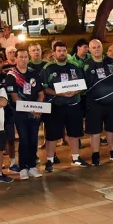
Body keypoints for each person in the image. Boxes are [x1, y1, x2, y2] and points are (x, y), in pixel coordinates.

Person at [42, 41, 88, 171]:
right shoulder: (48, 68)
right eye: (59, 51)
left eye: (64, 50)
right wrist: (59, 93)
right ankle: (50, 160)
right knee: (52, 135)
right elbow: (45, 89)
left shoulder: (74, 66)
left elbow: (82, 85)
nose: (62, 53)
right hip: (56, 106)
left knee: (74, 133)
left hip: (73, 104)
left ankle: (76, 157)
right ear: (54, 53)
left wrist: (75, 91)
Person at [83, 39, 113, 166]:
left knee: (112, 129)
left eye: (98, 47)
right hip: (94, 103)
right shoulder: (86, 65)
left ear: (102, 48)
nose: (96, 49)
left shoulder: (110, 62)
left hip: (111, 102)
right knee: (95, 131)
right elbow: (82, 84)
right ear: (89, 50)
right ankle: (95, 155)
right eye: (94, 47)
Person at [6, 47, 44, 179]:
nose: (23, 59)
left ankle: (32, 166)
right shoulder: (11, 76)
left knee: (34, 139)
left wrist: (38, 107)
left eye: (25, 57)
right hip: (20, 113)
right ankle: (23, 167)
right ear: (15, 58)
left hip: (35, 113)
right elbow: (15, 97)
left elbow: (40, 93)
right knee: (24, 139)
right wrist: (31, 108)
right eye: (20, 57)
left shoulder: (34, 74)